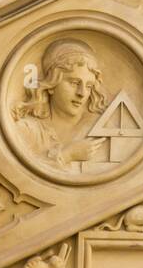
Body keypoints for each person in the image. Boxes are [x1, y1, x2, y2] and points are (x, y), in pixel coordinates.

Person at [12, 38, 108, 172]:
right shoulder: (28, 131)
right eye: (74, 83)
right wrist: (66, 155)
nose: (82, 93)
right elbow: (16, 172)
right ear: (51, 85)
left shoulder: (101, 128)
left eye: (89, 86)